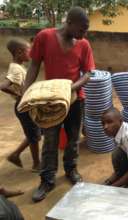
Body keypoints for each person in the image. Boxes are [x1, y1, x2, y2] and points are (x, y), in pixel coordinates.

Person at [23, 6, 95, 202]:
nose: (84, 33)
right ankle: (47, 179)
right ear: (69, 23)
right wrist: (25, 94)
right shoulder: (45, 37)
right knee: (50, 140)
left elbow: (88, 73)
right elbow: (34, 66)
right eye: (82, 29)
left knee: (73, 139)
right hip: (50, 102)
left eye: (86, 30)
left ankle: (71, 170)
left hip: (75, 100)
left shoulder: (84, 45)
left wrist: (71, 88)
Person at [0, 38, 41, 171]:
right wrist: (18, 95)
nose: (31, 53)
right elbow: (3, 85)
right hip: (23, 107)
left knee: (34, 134)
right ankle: (36, 164)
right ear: (19, 52)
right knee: (34, 137)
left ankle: (15, 154)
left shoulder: (18, 66)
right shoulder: (16, 69)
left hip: (25, 106)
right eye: (29, 50)